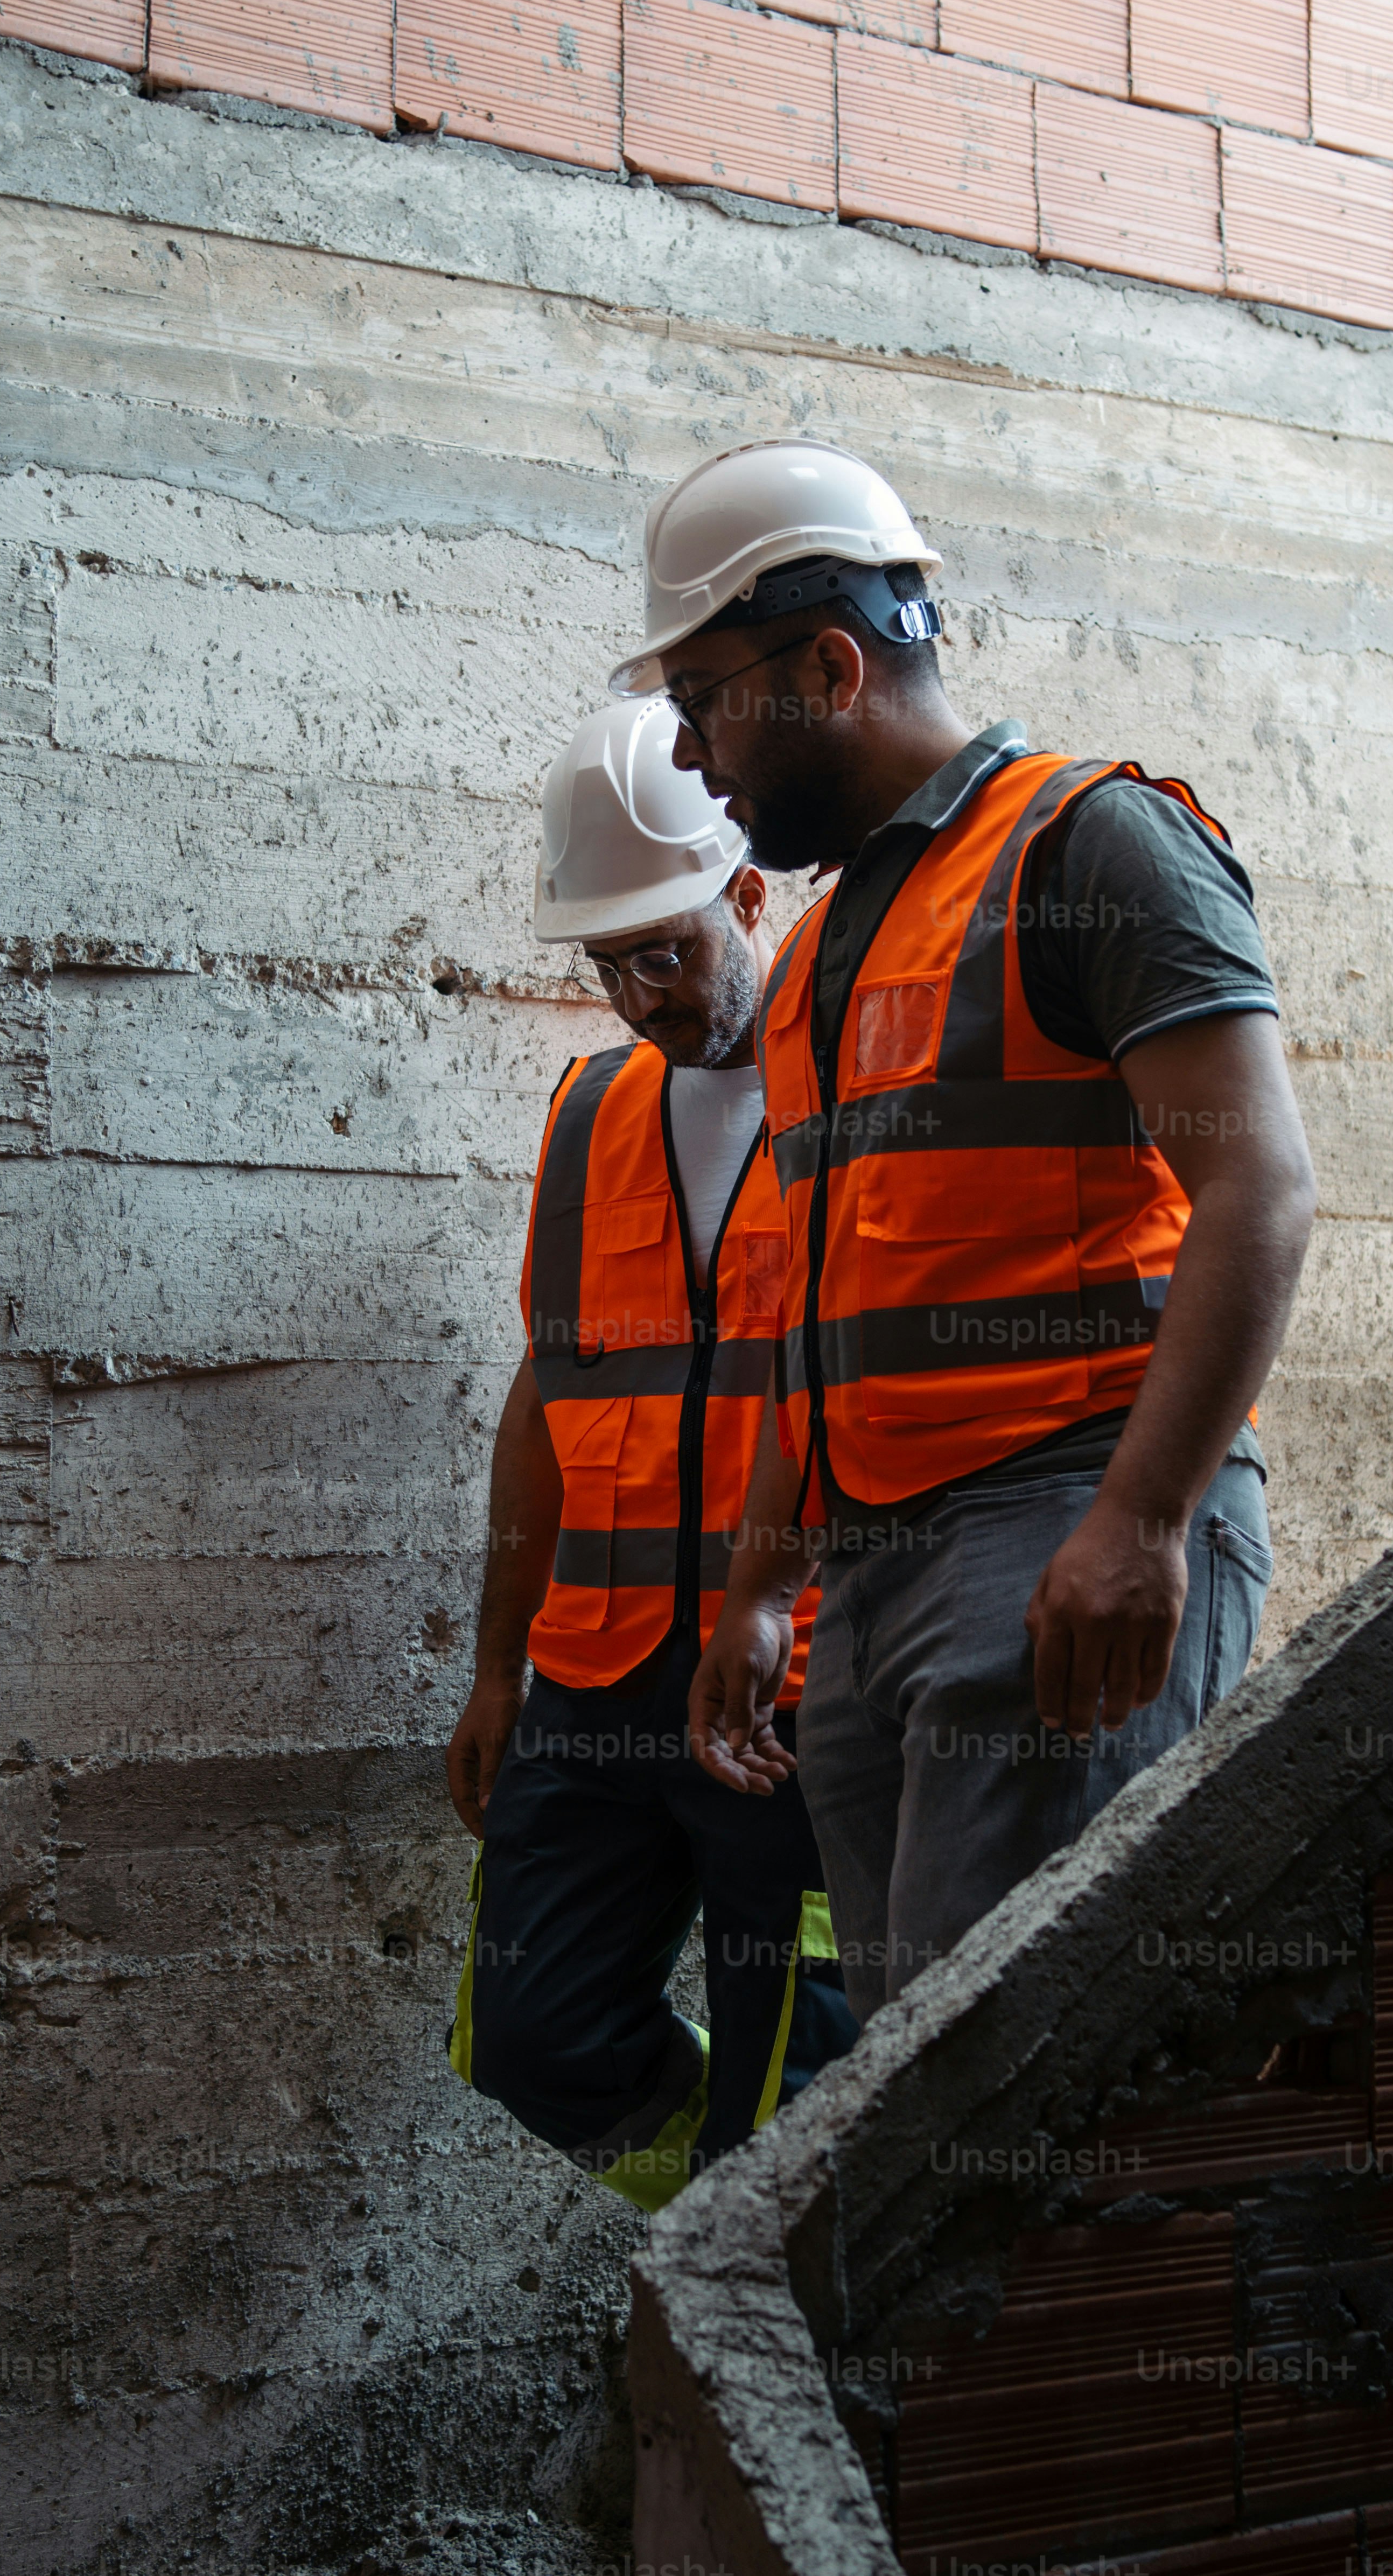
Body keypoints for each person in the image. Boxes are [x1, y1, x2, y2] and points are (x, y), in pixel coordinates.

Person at [611, 439, 1318, 2026]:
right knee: (896, 2085)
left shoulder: (1093, 846)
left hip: (1067, 1525)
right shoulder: (813, 965)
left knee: (999, 2078)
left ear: (830, 665)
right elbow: (819, 1300)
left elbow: (1260, 1192)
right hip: (872, 1579)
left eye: (707, 697)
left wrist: (1144, 1521)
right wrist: (765, 1586)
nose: (693, 750)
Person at [444, 693, 852, 2208]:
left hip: (786, 1698)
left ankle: (765, 2270)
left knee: (796, 2088)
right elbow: (551, 1394)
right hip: (600, 1678)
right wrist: (499, 1665)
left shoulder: (854, 1085)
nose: (635, 993)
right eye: (607, 959)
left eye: (664, 949)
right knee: (526, 2036)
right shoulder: (593, 1105)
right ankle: (730, 2237)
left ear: (746, 891)